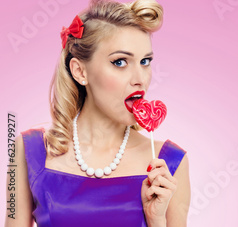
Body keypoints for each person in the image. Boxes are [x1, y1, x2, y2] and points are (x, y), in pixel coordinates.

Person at [4, 0, 191, 226]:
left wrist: (156, 219)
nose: (140, 79)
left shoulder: (169, 164)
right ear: (80, 71)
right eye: (120, 62)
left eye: (145, 61)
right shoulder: (27, 150)